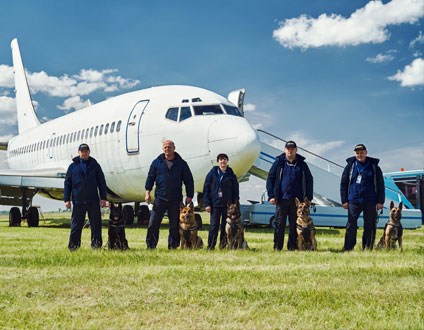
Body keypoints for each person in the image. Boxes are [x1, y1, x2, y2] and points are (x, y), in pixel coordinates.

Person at [145, 140, 194, 249]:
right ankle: (151, 245)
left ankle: (173, 246)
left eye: (169, 147)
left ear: (174, 148)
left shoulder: (181, 164)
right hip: (160, 198)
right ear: (163, 149)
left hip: (175, 198)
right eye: (165, 147)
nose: (167, 149)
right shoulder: (156, 162)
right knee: (153, 223)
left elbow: (189, 180)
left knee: (174, 225)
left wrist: (189, 195)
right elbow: (150, 178)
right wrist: (147, 192)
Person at [266, 141, 313, 251]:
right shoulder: (279, 163)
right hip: (281, 199)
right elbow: (270, 178)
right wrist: (271, 195)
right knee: (279, 224)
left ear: (296, 150)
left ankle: (292, 247)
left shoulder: (302, 164)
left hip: (296, 202)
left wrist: (309, 197)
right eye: (288, 149)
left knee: (294, 225)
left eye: (292, 149)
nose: (290, 150)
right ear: (284, 150)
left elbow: (309, 180)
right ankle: (277, 247)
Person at [340, 144, 385, 251]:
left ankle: (367, 247)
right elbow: (344, 183)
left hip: (370, 200)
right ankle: (348, 248)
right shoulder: (350, 167)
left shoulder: (374, 167)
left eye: (361, 153)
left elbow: (380, 185)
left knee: (370, 225)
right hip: (354, 200)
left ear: (366, 153)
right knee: (351, 225)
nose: (359, 155)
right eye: (357, 153)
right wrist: (344, 200)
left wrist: (380, 201)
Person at [64, 143, 107, 251]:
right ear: (78, 153)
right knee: (76, 226)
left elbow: (102, 182)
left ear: (89, 152)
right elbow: (67, 183)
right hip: (78, 201)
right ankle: (73, 247)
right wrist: (66, 199)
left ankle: (96, 246)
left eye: (86, 151)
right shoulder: (73, 166)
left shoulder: (95, 165)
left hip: (93, 200)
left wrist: (103, 198)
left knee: (96, 225)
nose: (84, 153)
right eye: (82, 151)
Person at [203, 153, 239, 250]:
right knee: (214, 226)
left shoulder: (231, 175)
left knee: (225, 226)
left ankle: (223, 246)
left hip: (227, 206)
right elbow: (206, 189)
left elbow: (235, 190)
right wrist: (207, 204)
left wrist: (235, 203)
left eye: (224, 159)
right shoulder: (212, 174)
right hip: (215, 204)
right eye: (221, 159)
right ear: (218, 161)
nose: (223, 161)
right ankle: (211, 246)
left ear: (227, 161)